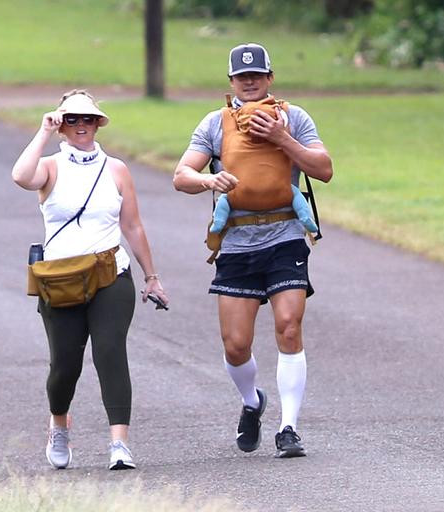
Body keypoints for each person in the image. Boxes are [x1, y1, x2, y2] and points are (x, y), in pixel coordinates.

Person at [173, 43, 333, 458]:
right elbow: (182, 175)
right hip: (237, 242)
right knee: (235, 344)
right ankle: (251, 400)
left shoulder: (294, 117)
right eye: (242, 77)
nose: (249, 82)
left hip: (285, 234)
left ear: (270, 78)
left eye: (257, 76)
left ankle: (289, 428)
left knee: (289, 325)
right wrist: (209, 181)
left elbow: (324, 169)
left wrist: (282, 138)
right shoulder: (215, 123)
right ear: (231, 82)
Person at [12, 89, 168, 470]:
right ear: (62, 125)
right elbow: (20, 176)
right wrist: (44, 130)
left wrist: (151, 276)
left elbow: (132, 226)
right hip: (61, 279)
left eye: (87, 119)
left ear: (98, 123)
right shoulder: (50, 167)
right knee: (65, 365)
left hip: (110, 272)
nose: (80, 125)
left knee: (110, 351)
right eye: (72, 119)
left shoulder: (116, 169)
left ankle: (119, 443)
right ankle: (59, 423)